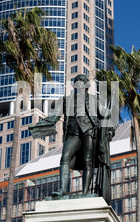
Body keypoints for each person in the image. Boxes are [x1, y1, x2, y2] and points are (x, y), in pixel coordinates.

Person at [29, 74, 116, 203]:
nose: (79, 83)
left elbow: (106, 116)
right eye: (77, 81)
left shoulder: (94, 99)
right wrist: (40, 125)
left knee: (88, 161)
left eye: (82, 81)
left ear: (86, 85)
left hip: (89, 132)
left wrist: (110, 130)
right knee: (65, 158)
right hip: (73, 132)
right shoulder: (65, 100)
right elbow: (54, 116)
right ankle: (62, 189)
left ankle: (86, 192)